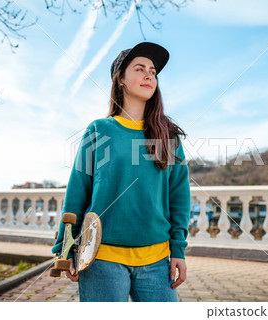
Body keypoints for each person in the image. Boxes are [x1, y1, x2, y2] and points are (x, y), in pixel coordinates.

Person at [52, 42, 191, 302]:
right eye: (140, 69)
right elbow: (78, 190)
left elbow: (179, 196)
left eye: (153, 71)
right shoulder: (99, 130)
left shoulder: (168, 136)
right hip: (101, 258)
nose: (149, 75)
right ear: (121, 80)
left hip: (158, 262)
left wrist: (178, 250)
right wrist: (66, 247)